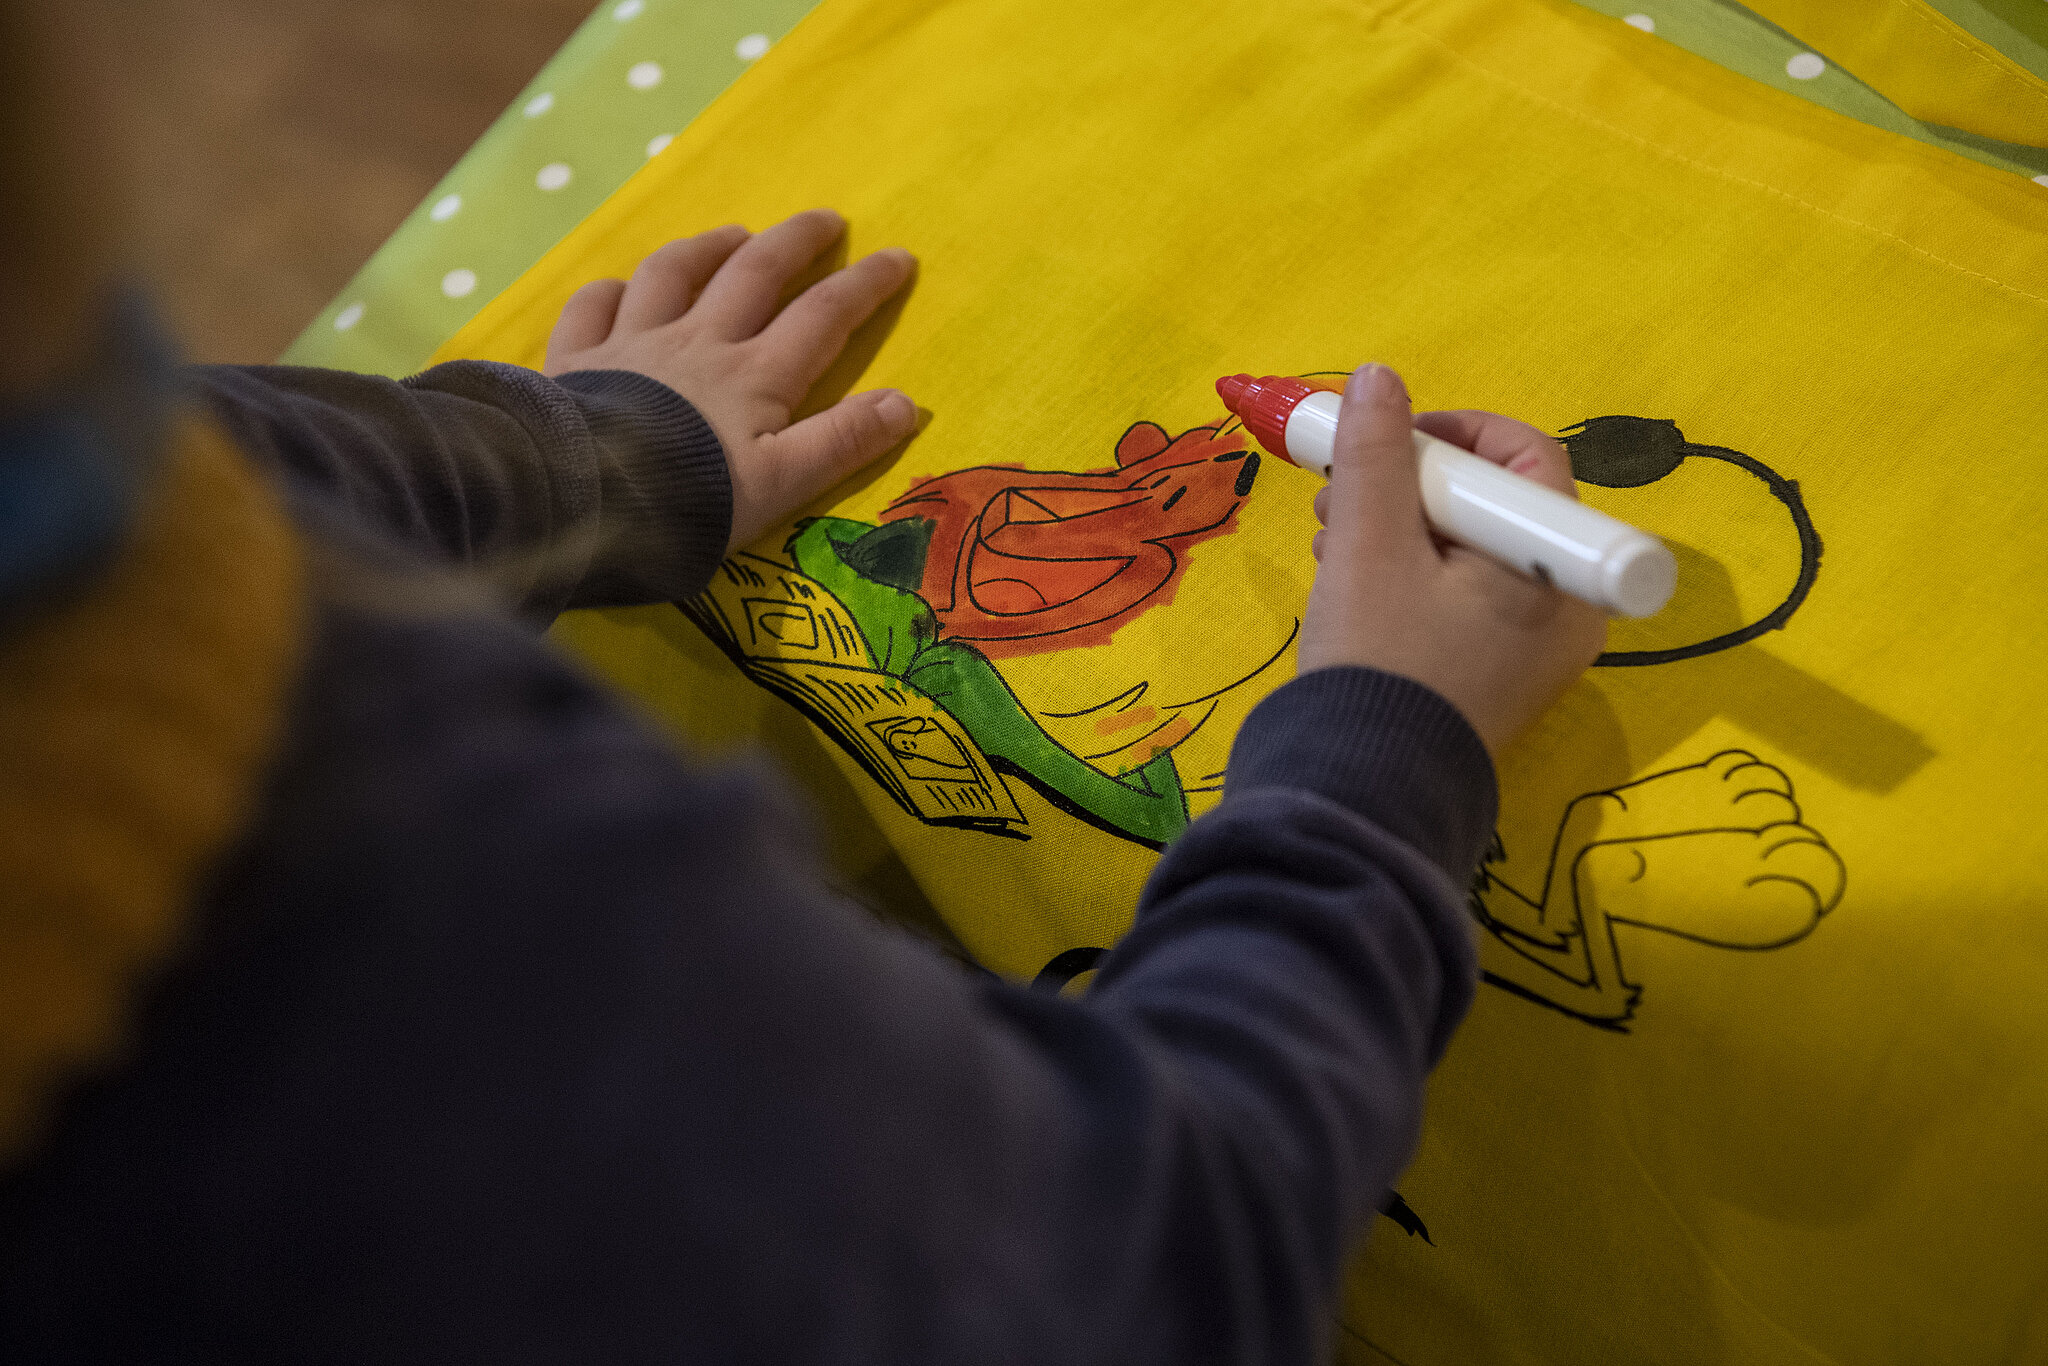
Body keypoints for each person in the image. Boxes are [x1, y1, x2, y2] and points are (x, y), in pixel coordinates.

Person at [0, 21, 1604, 1363]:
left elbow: (203, 468)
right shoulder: (406, 932)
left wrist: (573, 456)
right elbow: (1138, 1285)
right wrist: (1376, 770)